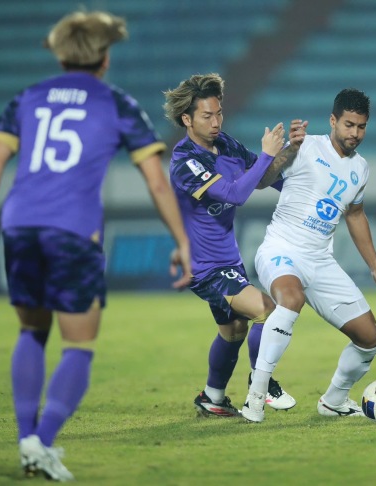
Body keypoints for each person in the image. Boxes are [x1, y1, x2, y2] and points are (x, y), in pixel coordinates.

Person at [0, 11, 191, 481]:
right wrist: (182, 241)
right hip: (72, 232)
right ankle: (40, 442)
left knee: (31, 332)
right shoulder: (117, 103)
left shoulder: (27, 98)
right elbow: (155, 181)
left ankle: (28, 439)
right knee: (79, 345)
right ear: (105, 58)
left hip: (19, 226)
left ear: (61, 53)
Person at [241, 88, 376, 423]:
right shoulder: (305, 147)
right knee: (290, 299)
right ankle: (256, 395)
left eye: (361, 126)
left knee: (370, 338)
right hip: (281, 250)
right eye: (348, 125)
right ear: (333, 121)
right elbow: (261, 181)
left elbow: (355, 215)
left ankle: (334, 401)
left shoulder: (361, 169)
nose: (355, 133)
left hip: (320, 261)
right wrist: (286, 151)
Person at [163, 73, 308, 417]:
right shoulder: (185, 161)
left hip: (227, 260)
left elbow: (262, 178)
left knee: (233, 330)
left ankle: (212, 397)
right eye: (206, 116)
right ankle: (262, 386)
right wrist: (264, 155)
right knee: (268, 312)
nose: (215, 122)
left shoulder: (225, 143)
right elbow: (234, 193)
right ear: (187, 119)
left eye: (219, 114)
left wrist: (288, 152)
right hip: (204, 267)